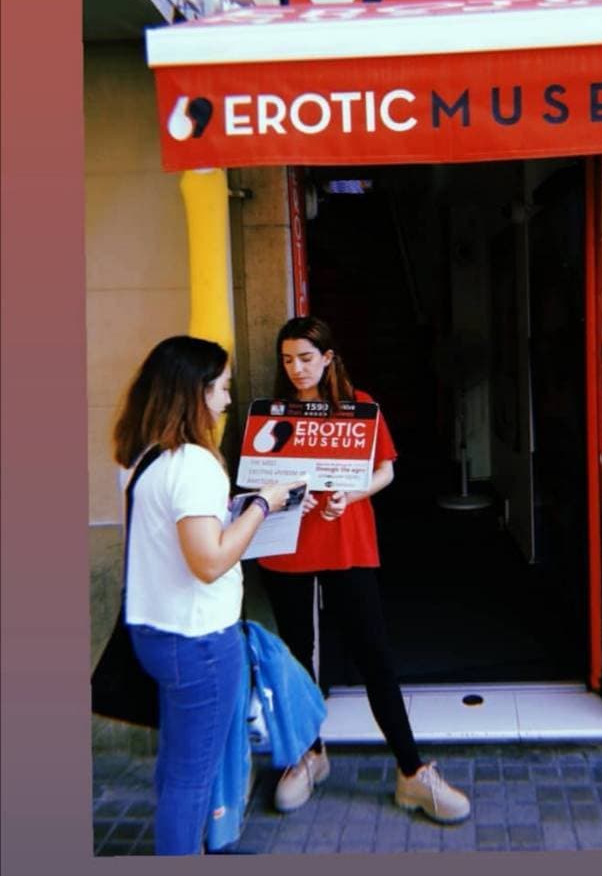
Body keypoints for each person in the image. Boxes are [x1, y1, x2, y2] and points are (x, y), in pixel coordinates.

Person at [258, 316, 470, 824]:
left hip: (347, 540)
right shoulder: (274, 412)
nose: (296, 368)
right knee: (297, 657)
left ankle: (412, 770)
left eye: (306, 358)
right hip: (285, 545)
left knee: (373, 653)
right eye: (287, 359)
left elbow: (387, 470)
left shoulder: (360, 404)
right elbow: (260, 474)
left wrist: (349, 496)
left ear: (328, 357)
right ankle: (309, 755)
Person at [115, 335, 294, 855]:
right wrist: (263, 504)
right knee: (193, 777)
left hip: (156, 631)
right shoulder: (193, 464)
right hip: (199, 641)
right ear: (194, 394)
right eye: (221, 388)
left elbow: (183, 538)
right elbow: (210, 561)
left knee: (176, 765)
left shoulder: (143, 456)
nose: (227, 400)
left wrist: (231, 510)